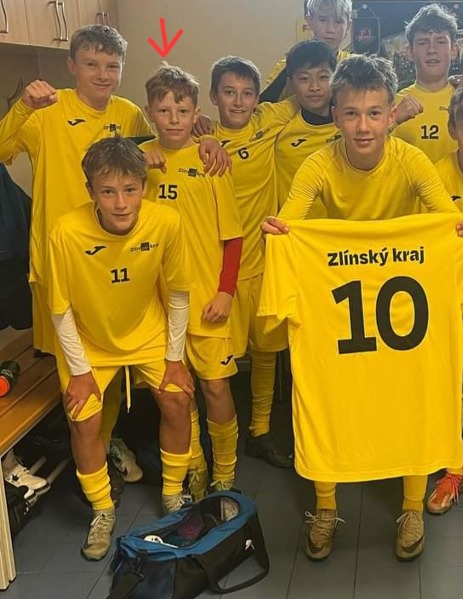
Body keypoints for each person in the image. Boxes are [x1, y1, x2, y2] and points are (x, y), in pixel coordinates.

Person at [262, 54, 463, 561]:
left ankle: (411, 507)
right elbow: (291, 219)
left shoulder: (411, 160)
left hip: (403, 300)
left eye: (375, 113)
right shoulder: (319, 164)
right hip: (339, 298)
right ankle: (325, 506)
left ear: (391, 114)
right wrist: (279, 231)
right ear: (335, 115)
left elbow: (445, 217)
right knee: (327, 396)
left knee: (412, 396)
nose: (364, 126)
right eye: (352, 113)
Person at [0, 24, 227, 486]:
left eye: (112, 65)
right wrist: (21, 107)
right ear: (72, 65)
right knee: (79, 371)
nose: (102, 74)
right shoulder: (47, 109)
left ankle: (113, 446)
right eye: (91, 64)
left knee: (124, 363)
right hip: (66, 261)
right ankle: (95, 459)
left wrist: (206, 135)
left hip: (121, 262)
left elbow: (166, 138)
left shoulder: (128, 114)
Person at [48, 136, 194, 560]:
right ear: (90, 191)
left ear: (144, 187)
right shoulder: (66, 231)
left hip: (147, 331)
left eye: (130, 189)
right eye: (108, 191)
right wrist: (79, 371)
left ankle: (173, 493)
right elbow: (59, 310)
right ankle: (102, 509)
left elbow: (179, 294)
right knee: (84, 420)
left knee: (178, 399)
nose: (121, 203)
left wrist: (175, 359)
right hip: (88, 339)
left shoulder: (166, 222)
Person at [142, 64, 243, 502]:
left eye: (182, 110)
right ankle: (195, 466)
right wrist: (136, 160)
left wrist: (225, 291)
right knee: (177, 391)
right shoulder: (138, 161)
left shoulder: (210, 160)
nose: (173, 119)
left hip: (205, 298)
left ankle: (225, 472)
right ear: (149, 112)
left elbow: (233, 236)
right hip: (158, 303)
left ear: (196, 113)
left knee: (215, 386)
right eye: (164, 110)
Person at [204, 55, 301, 468]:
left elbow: (309, 87)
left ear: (258, 98)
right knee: (217, 365)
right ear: (214, 97)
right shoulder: (201, 141)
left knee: (265, 350)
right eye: (229, 92)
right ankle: (216, 447)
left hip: (263, 262)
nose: (239, 101)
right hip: (219, 271)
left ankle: (259, 430)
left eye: (247, 93)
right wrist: (200, 132)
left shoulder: (268, 120)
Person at [427, 82, 463, 514]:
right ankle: (454, 460)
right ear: (452, 130)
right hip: (449, 295)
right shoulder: (435, 174)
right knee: (447, 379)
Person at [392, 3, 463, 163]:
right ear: (409, 52)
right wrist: (392, 121)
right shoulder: (394, 105)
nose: (432, 49)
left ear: (454, 50)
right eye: (423, 42)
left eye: (440, 41)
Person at [275, 39, 340, 215]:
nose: (314, 87)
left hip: (344, 229)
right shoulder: (278, 125)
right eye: (304, 79)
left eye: (323, 77)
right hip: (296, 228)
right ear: (290, 83)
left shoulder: (353, 123)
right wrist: (208, 136)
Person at [261, 0, 352, 102]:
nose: (330, 29)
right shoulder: (288, 67)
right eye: (323, 20)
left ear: (348, 25)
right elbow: (262, 106)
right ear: (309, 21)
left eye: (338, 22)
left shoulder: (355, 66)